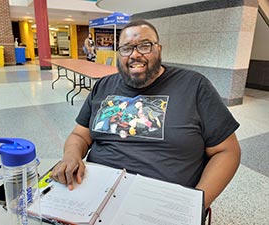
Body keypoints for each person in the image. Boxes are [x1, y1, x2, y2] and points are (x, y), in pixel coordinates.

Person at [50, 20, 241, 209]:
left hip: (160, 201)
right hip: (98, 192)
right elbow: (79, 135)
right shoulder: (103, 86)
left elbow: (227, 151)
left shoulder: (194, 86)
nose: (134, 54)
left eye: (144, 46)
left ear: (159, 49)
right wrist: (71, 155)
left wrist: (195, 205)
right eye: (126, 48)